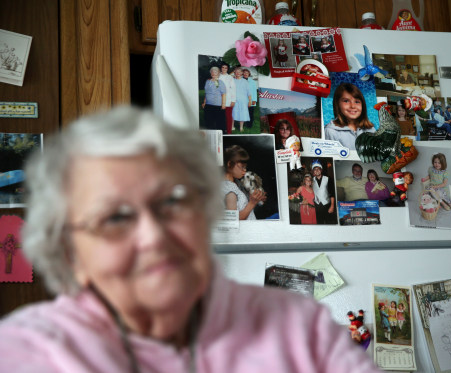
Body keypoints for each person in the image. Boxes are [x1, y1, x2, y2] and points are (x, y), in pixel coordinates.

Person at [0, 107, 380, 373]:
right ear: (71, 256)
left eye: (173, 201)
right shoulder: (32, 350)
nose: (154, 236)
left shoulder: (298, 326)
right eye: (114, 217)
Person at [324, 83, 376, 150]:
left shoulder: (371, 130)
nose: (352, 106)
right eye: (346, 101)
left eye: (357, 102)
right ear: (337, 104)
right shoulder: (330, 131)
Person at [223, 145, 266, 220]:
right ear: (229, 164)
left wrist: (256, 199)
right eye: (242, 167)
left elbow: (243, 207)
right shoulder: (229, 189)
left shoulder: (236, 182)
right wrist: (252, 203)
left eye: (245, 167)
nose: (245, 170)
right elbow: (233, 220)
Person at [202, 66, 227, 132]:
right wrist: (204, 102)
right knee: (209, 123)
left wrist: (223, 104)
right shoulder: (207, 81)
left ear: (218, 73)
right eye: (212, 71)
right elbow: (206, 93)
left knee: (220, 123)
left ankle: (222, 136)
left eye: (215, 71)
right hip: (208, 105)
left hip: (217, 105)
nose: (213, 73)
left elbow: (223, 93)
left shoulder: (218, 82)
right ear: (210, 73)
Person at [311, 160, 336, 224]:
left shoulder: (328, 179)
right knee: (319, 222)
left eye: (318, 169)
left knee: (329, 222)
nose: (316, 170)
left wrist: (332, 206)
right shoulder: (311, 180)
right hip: (317, 205)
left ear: (321, 170)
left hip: (327, 204)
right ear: (313, 172)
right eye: (315, 169)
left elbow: (332, 193)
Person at [232, 67, 251, 133]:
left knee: (242, 113)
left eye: (239, 72)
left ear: (242, 73)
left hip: (243, 100)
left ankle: (241, 127)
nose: (238, 73)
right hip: (234, 99)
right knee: (233, 113)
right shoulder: (232, 81)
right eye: (236, 72)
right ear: (234, 73)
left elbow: (249, 92)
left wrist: (250, 101)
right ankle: (232, 126)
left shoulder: (245, 82)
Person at [219, 63, 236, 134]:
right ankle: (221, 131)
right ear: (221, 68)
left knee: (228, 117)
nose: (224, 69)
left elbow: (233, 89)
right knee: (220, 117)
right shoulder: (218, 76)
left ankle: (229, 132)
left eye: (226, 68)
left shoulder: (230, 77)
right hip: (219, 100)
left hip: (228, 99)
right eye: (223, 67)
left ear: (227, 69)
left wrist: (233, 100)